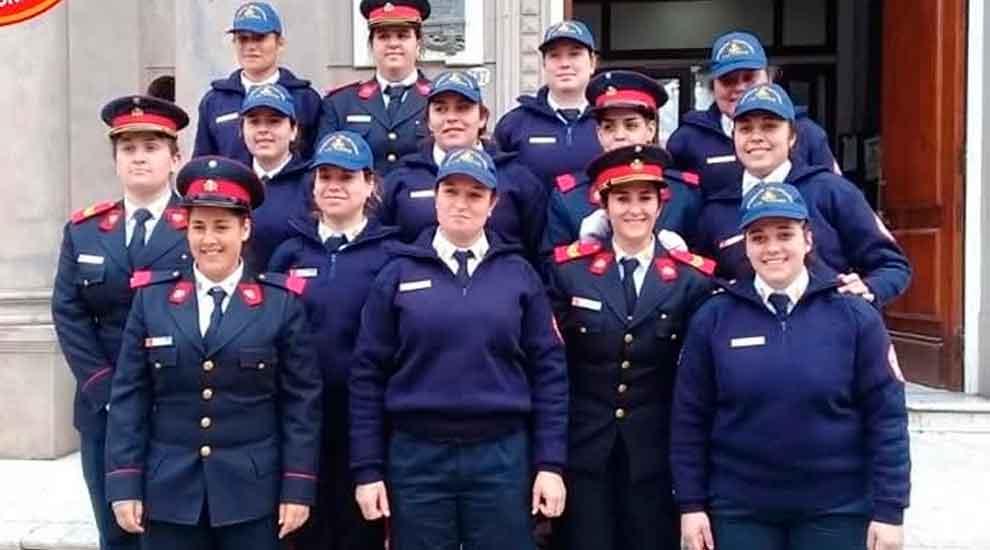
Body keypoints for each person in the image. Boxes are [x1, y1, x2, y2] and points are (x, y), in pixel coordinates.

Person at [671, 182, 910, 550]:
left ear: (808, 239)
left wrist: (890, 511)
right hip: (739, 512)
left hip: (836, 510)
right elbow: (689, 418)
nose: (773, 248)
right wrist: (691, 505)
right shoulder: (714, 318)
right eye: (759, 237)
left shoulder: (855, 316)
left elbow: (887, 418)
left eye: (785, 234)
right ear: (746, 246)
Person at [350, 148, 568, 550]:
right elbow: (367, 374)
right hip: (416, 458)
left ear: (493, 203)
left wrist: (549, 463)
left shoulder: (519, 276)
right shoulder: (397, 274)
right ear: (435, 197)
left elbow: (549, 372)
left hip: (501, 458)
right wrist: (368, 469)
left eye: (475, 194)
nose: (461, 204)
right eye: (451, 191)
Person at [104, 156, 322, 550]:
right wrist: (124, 481)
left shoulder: (280, 304)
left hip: (253, 494)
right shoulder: (152, 301)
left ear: (245, 228)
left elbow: (300, 405)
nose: (209, 240)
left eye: (222, 226)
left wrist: (298, 487)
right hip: (169, 492)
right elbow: (130, 398)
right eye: (198, 227)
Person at [547, 145, 715, 550]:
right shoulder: (571, 272)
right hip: (585, 451)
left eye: (645, 198)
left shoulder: (692, 279)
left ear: (661, 204)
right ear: (603, 204)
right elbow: (552, 366)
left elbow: (696, 379)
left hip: (655, 455)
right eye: (622, 198)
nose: (634, 209)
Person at [51, 94, 191, 550]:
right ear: (115, 160)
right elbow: (68, 311)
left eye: (151, 147)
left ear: (175, 158)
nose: (139, 157)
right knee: (116, 531)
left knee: (174, 530)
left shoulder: (200, 225)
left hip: (177, 402)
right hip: (104, 406)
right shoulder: (86, 229)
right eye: (128, 148)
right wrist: (103, 388)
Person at [269, 131, 397, 550]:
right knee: (303, 528)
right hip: (300, 414)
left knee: (360, 528)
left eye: (346, 177)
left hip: (368, 415)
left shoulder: (393, 256)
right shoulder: (289, 253)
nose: (334, 186)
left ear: (369, 184)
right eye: (325, 176)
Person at [695, 83, 911, 307]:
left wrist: (869, 288)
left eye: (769, 127)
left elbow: (893, 266)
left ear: (792, 137)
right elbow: (701, 281)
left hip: (828, 330)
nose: (756, 137)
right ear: (734, 137)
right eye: (746, 129)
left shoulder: (831, 191)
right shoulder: (715, 209)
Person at [380, 70, 547, 261]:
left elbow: (537, 251)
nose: (451, 118)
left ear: (482, 117)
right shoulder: (401, 179)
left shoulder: (517, 178)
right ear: (427, 121)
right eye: (441, 109)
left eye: (463, 108)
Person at [544, 70, 703, 257]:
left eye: (631, 125)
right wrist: (582, 247)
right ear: (599, 134)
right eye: (609, 127)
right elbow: (549, 269)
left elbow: (703, 268)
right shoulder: (569, 199)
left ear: (650, 130)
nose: (619, 136)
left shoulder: (684, 194)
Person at [666, 31, 837, 201]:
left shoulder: (808, 133)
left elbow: (832, 197)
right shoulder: (686, 140)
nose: (740, 88)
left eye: (749, 78)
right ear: (713, 86)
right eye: (728, 80)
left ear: (769, 78)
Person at [193, 1, 322, 164]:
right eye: (243, 39)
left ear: (280, 43)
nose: (251, 47)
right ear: (234, 43)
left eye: (259, 38)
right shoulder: (215, 101)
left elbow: (316, 161)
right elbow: (203, 162)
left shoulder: (305, 98)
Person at [318, 0, 433, 176]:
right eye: (383, 36)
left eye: (403, 36)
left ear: (418, 43)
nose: (393, 44)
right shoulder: (340, 103)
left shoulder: (439, 100)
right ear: (372, 44)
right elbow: (323, 166)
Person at [494, 20, 602, 187]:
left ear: (592, 62)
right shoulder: (514, 124)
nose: (564, 64)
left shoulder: (612, 121)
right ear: (544, 64)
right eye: (554, 56)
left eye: (574, 54)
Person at [238, 83, 312, 270]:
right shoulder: (229, 180)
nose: (263, 130)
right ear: (242, 130)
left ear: (293, 130)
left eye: (274, 121)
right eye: (254, 122)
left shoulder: (313, 183)